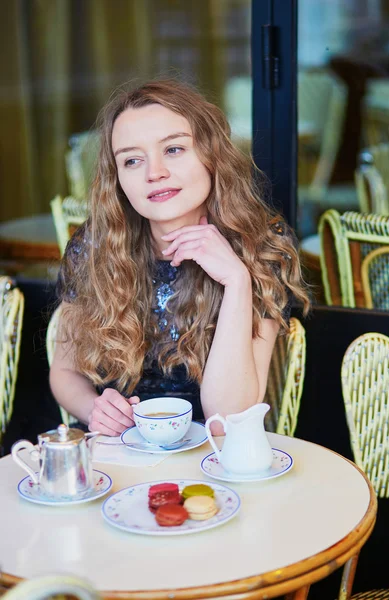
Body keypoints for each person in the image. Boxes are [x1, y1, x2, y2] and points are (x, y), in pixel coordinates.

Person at [50, 79, 309, 437]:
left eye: (173, 150)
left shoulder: (261, 247)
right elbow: (64, 373)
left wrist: (236, 281)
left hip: (212, 459)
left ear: (211, 154)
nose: (154, 173)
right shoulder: (95, 245)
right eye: (132, 160)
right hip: (118, 452)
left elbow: (228, 419)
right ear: (119, 179)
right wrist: (95, 409)